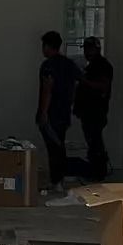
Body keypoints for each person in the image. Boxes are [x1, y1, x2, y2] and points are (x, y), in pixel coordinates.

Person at [35, 30, 83, 191]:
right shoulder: (69, 64)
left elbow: (47, 89)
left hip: (52, 114)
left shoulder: (48, 66)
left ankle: (57, 181)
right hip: (64, 112)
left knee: (54, 148)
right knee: (59, 145)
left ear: (48, 46)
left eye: (44, 46)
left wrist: (43, 113)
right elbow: (80, 82)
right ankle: (59, 179)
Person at [75, 36, 114, 181]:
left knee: (95, 141)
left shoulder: (103, 66)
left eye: (88, 49)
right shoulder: (90, 66)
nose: (86, 52)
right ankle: (95, 171)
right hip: (88, 111)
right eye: (85, 49)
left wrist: (84, 80)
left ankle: (98, 173)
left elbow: (103, 86)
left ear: (95, 49)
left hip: (96, 111)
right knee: (92, 141)